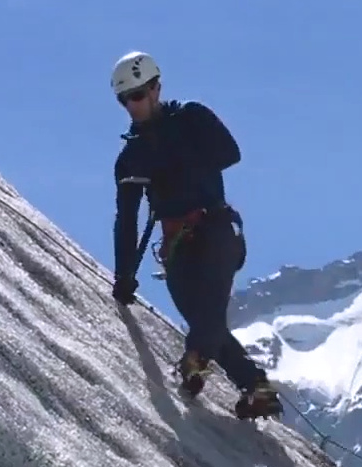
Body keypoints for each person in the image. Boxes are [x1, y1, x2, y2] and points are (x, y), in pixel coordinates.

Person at [108, 51, 281, 419]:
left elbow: (229, 152)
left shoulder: (190, 118)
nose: (132, 106)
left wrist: (171, 162)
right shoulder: (131, 157)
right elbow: (126, 218)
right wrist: (124, 275)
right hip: (177, 249)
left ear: (156, 88)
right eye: (125, 100)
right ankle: (255, 386)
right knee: (206, 320)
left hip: (216, 229)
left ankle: (194, 363)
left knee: (205, 321)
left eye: (137, 96)